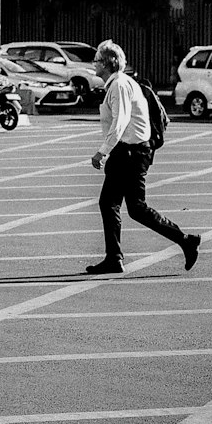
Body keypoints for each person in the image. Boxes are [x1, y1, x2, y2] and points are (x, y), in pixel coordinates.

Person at [86, 39, 201, 275]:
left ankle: (183, 241)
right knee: (122, 206)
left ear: (108, 63)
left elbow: (120, 121)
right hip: (130, 152)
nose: (94, 64)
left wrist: (102, 151)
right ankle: (116, 257)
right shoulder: (120, 83)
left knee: (121, 205)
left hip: (130, 153)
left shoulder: (119, 85)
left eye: (97, 60)